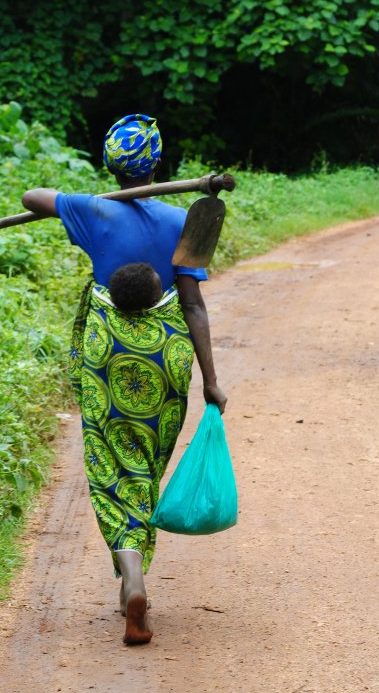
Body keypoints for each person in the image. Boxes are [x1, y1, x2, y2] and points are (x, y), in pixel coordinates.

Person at [22, 114, 227, 645]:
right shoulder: (184, 219)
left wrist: (89, 197)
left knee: (109, 462)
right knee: (145, 461)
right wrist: (211, 379)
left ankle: (130, 569)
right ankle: (136, 564)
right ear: (158, 164)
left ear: (110, 165)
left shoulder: (92, 211)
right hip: (164, 355)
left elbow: (31, 196)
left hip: (106, 354)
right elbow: (194, 305)